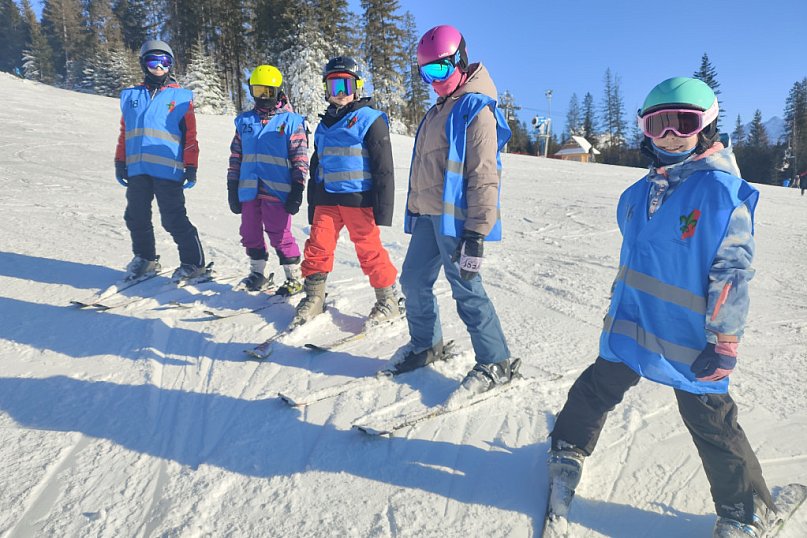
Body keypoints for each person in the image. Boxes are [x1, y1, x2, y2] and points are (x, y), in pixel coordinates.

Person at [546, 77, 777, 537]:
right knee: (598, 386)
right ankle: (568, 444)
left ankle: (745, 509)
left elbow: (731, 273)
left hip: (689, 338)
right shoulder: (635, 195)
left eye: (683, 124)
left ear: (707, 126)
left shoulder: (721, 194)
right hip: (632, 324)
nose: (670, 135)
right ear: (645, 131)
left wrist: (725, 339)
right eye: (658, 125)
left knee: (711, 422)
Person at [393, 25, 516, 394]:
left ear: (460, 62)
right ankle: (426, 343)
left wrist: (476, 233)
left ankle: (496, 361)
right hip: (430, 216)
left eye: (441, 70)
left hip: (458, 221)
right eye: (427, 73)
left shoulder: (475, 108)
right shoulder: (439, 109)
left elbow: (483, 173)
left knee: (466, 289)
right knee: (413, 280)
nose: (435, 80)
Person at [291, 56, 400, 327]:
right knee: (317, 246)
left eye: (345, 85)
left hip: (358, 199)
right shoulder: (324, 124)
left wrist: (383, 209)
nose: (339, 93)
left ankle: (388, 300)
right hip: (327, 198)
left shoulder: (370, 119)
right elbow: (317, 165)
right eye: (333, 86)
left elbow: (384, 168)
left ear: (357, 87)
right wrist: (312, 203)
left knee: (368, 249)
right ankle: (315, 297)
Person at [115, 39, 206, 283]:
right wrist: (120, 160)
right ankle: (146, 258)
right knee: (136, 216)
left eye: (164, 62)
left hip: (168, 169)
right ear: (143, 64)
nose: (158, 67)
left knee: (173, 218)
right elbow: (126, 132)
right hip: (137, 169)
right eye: (152, 61)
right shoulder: (131, 96)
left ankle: (193, 263)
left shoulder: (181, 97)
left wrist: (191, 165)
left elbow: (190, 136)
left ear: (171, 65)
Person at [226, 65, 308, 295]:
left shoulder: (292, 121)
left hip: (278, 191)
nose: (262, 97)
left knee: (279, 234)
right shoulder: (245, 121)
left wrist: (298, 188)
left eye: (268, 92)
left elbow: (300, 157)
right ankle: (257, 273)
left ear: (278, 91)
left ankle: (294, 278)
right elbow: (236, 155)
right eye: (257, 90)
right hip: (249, 189)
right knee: (249, 233)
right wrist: (232, 186)